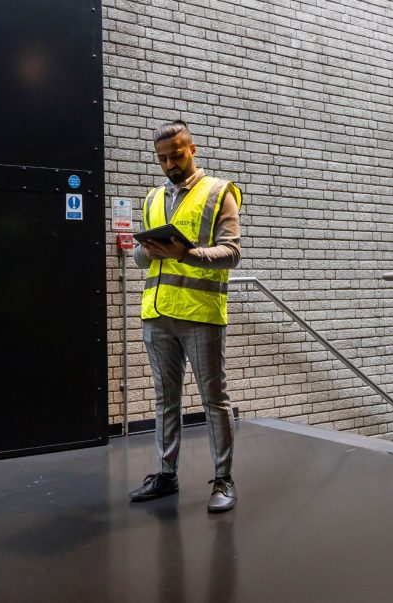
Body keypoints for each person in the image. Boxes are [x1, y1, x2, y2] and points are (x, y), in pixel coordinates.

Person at [129, 119, 243, 513]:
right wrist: (146, 250)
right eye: (161, 158)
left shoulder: (219, 192)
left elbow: (232, 253)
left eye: (175, 156)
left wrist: (187, 253)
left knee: (214, 399)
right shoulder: (151, 198)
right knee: (165, 400)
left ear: (192, 150)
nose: (168, 164)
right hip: (157, 313)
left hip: (201, 313)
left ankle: (224, 478)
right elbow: (139, 255)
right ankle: (166, 473)